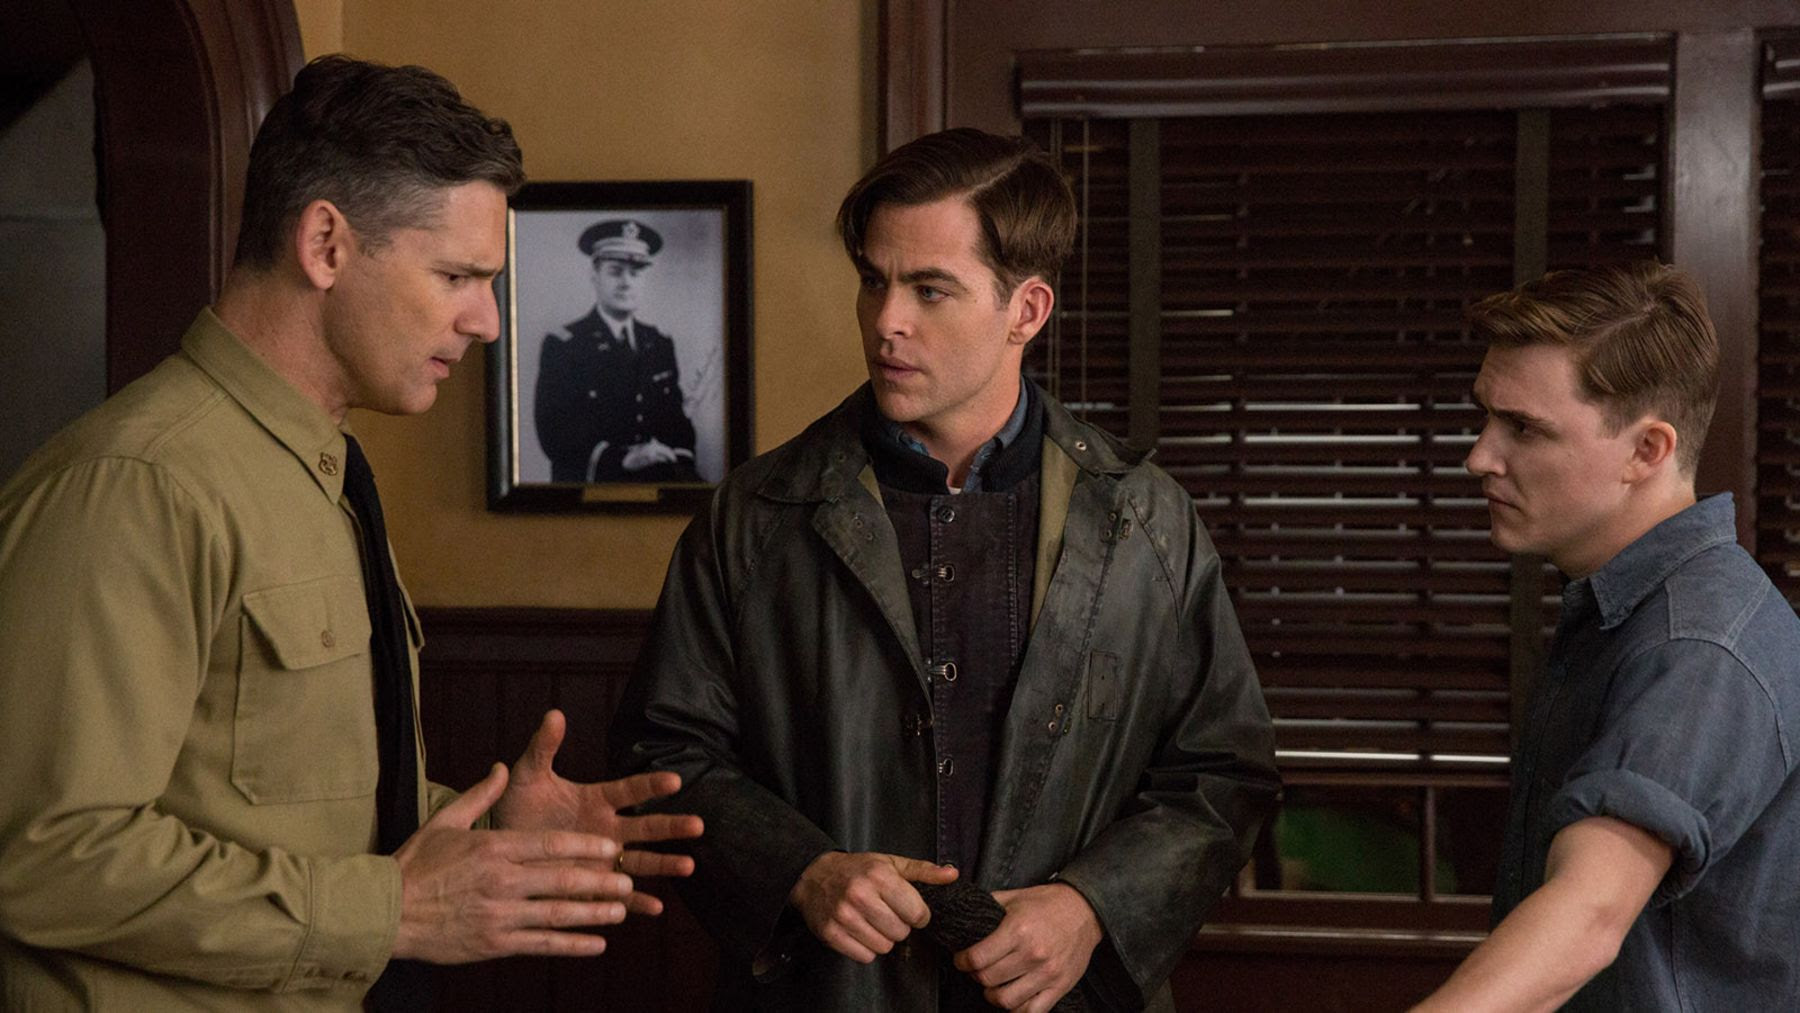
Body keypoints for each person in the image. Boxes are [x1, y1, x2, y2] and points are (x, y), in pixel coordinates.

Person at [0, 55, 701, 1010]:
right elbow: (40, 851)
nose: (488, 321)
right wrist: (392, 913)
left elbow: (276, 808)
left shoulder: (319, 472)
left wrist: (487, 837)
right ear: (326, 244)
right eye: (457, 275)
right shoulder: (139, 484)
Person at [610, 127, 1280, 1012]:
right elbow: (663, 752)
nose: (886, 320)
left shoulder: (1147, 520)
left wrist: (1092, 906)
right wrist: (801, 869)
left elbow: (1223, 770)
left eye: (930, 289)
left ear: (1026, 310)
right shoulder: (757, 514)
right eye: (874, 281)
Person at [1413, 261, 1800, 1010]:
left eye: (1524, 428)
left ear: (1647, 450)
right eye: (1487, 417)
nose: (1479, 456)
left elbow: (1588, 914)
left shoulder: (1697, 647)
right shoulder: (1625, 612)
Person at [535, 218, 699, 482]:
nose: (626, 283)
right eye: (615, 272)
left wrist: (679, 461)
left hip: (655, 479)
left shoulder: (658, 342)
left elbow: (676, 421)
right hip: (591, 484)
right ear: (595, 276)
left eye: (635, 274)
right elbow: (554, 433)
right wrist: (621, 459)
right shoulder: (565, 345)